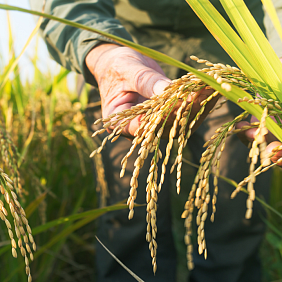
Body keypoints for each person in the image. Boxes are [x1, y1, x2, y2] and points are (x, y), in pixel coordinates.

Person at [29, 0, 282, 281]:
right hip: (123, 39)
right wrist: (102, 52)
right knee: (129, 209)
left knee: (232, 209)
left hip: (232, 46)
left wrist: (277, 69)